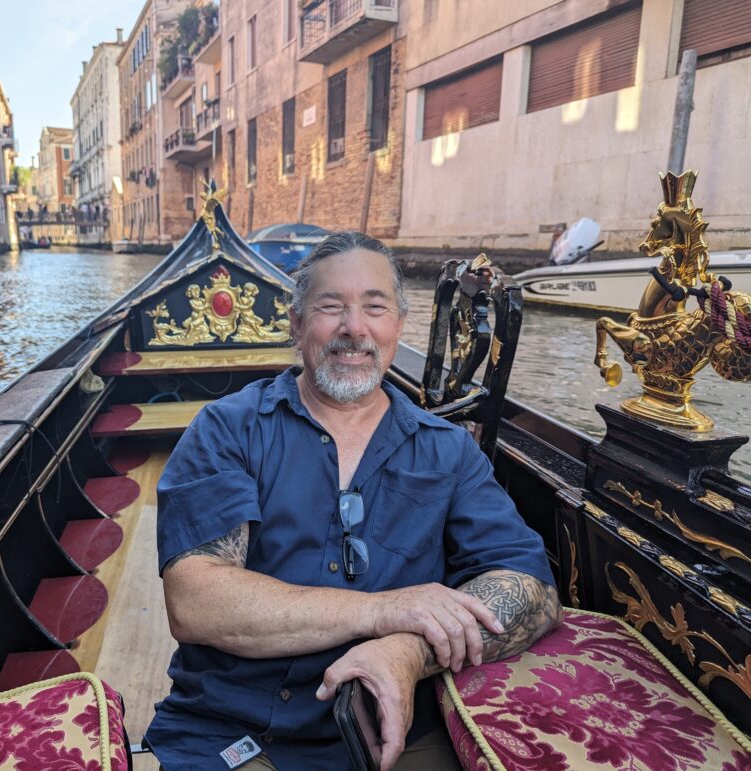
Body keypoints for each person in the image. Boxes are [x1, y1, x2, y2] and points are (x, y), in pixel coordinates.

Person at [146, 231, 562, 770]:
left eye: (374, 308)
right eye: (330, 307)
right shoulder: (227, 429)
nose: (354, 329)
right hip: (233, 724)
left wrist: (408, 652)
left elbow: (532, 589)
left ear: (397, 327)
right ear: (297, 325)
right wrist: (387, 610)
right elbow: (197, 601)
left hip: (396, 727)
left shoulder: (448, 451)